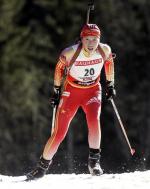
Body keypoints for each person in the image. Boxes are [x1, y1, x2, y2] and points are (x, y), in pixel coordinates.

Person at [26, 24, 116, 180]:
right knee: (59, 132)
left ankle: (94, 162)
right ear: (81, 39)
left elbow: (109, 62)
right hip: (71, 91)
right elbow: (59, 68)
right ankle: (41, 167)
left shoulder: (104, 50)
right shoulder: (70, 52)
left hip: (92, 90)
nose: (91, 43)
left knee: (94, 120)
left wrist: (110, 84)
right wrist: (56, 90)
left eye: (94, 39)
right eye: (87, 39)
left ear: (99, 39)